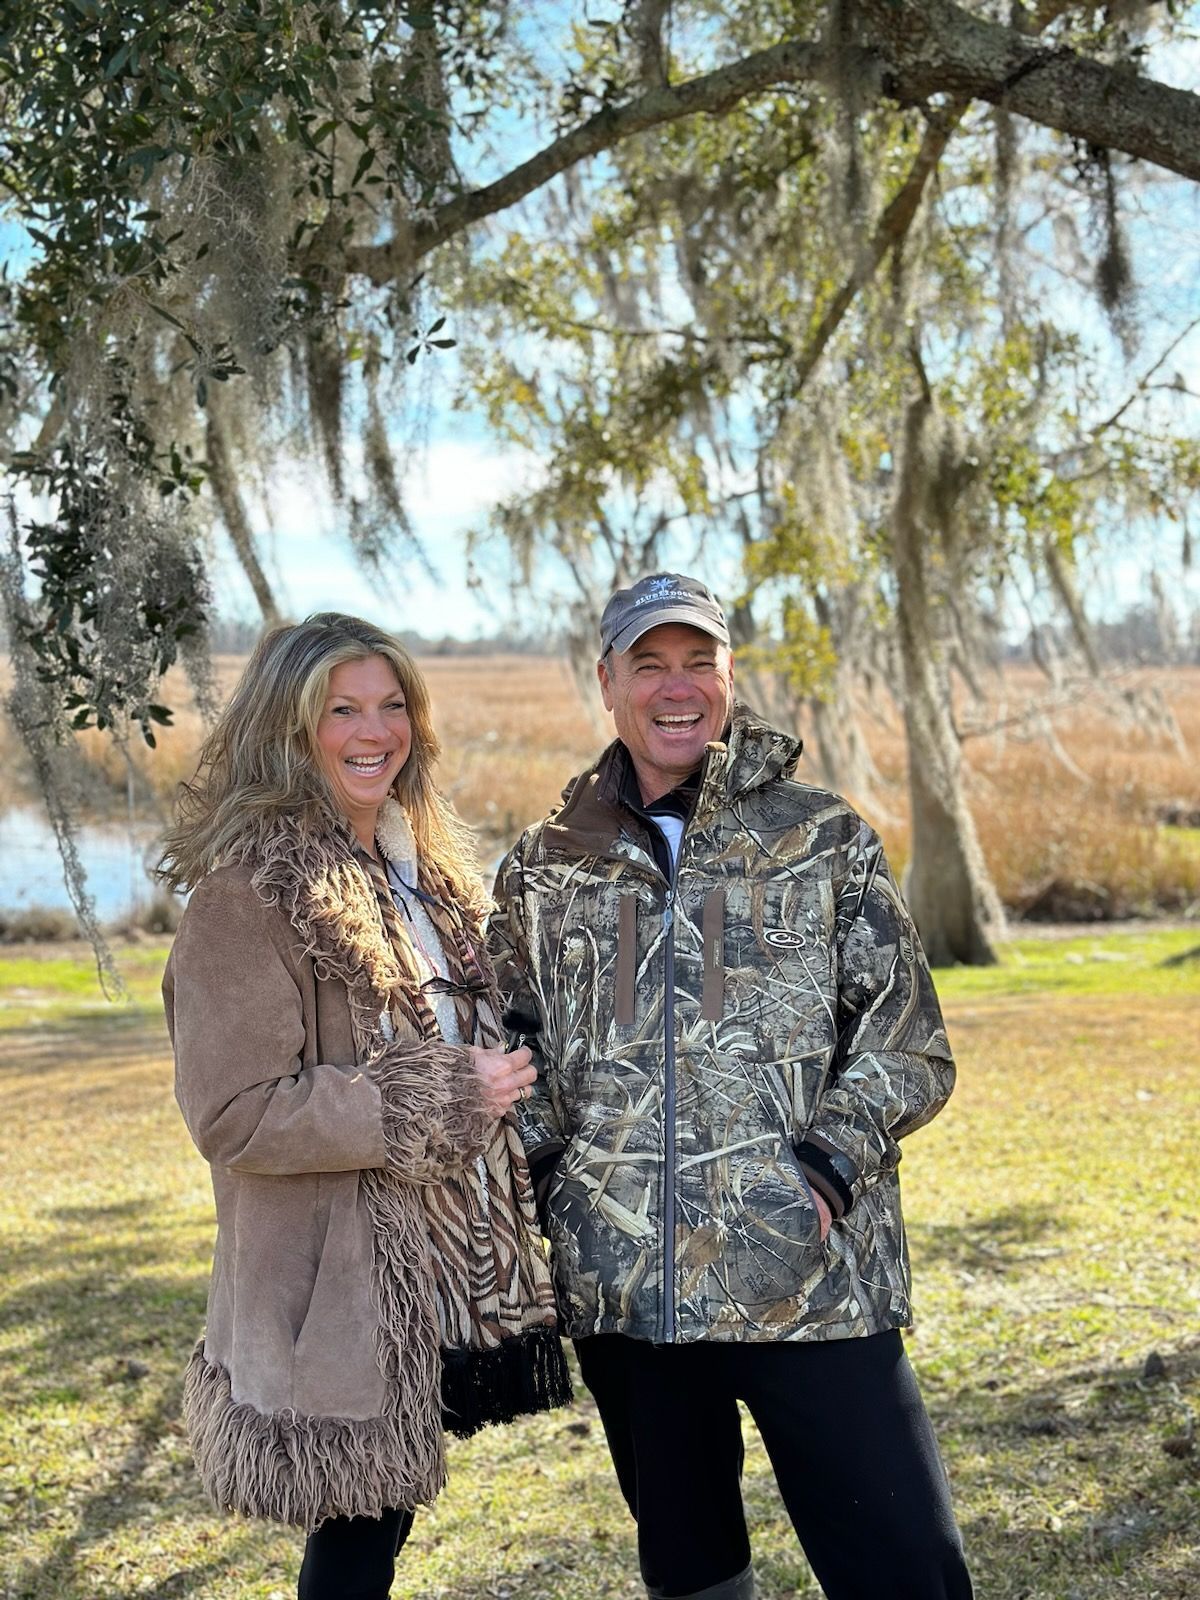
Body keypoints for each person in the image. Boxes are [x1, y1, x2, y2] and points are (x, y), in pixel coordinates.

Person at [489, 573, 974, 1600]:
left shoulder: (822, 835)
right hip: (629, 1297)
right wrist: (557, 1183)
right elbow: (511, 1043)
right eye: (650, 664)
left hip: (811, 1282)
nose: (678, 687)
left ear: (729, 675)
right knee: (694, 1573)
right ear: (607, 682)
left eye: (698, 661)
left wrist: (824, 1172)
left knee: (908, 1568)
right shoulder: (546, 863)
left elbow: (908, 1041)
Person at [158, 613, 570, 1600]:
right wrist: (437, 1096)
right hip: (340, 1278)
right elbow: (234, 1112)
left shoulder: (422, 874)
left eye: (392, 706)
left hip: (442, 1260)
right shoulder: (248, 895)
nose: (374, 731)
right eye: (341, 710)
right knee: (356, 1535)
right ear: (288, 727)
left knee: (374, 1527)